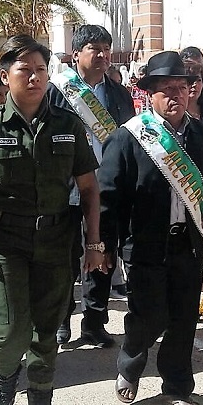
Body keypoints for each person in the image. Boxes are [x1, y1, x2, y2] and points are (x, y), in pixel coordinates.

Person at [0, 35, 103, 405]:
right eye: (25, 70)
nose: (35, 77)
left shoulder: (67, 124)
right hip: (5, 242)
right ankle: (5, 384)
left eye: (41, 70)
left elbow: (88, 189)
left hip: (55, 242)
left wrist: (94, 244)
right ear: (5, 77)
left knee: (47, 330)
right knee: (9, 329)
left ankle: (40, 393)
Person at [99, 51, 203, 405]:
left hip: (187, 243)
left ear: (191, 91)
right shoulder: (129, 138)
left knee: (183, 319)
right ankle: (130, 364)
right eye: (165, 89)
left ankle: (177, 386)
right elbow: (108, 197)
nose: (175, 96)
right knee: (148, 315)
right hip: (143, 245)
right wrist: (103, 246)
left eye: (181, 88)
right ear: (149, 95)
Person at [48, 24, 135, 348]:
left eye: (105, 49)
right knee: (67, 259)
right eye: (94, 49)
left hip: (107, 191)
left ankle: (94, 323)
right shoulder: (57, 90)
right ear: (76, 55)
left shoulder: (118, 93)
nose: (101, 55)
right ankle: (61, 320)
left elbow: (129, 140)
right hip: (68, 190)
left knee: (102, 255)